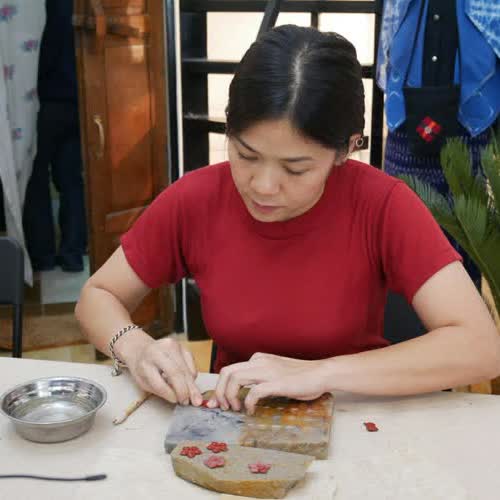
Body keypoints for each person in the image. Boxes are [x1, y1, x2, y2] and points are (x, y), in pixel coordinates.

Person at [76, 25, 500, 415]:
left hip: (357, 417)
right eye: (245, 155)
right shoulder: (196, 200)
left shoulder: (382, 205)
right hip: (234, 420)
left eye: (295, 169)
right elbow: (97, 295)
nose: (263, 186)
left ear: (346, 149)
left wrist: (320, 374)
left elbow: (481, 347)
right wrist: (135, 347)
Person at [377, 0, 500, 288]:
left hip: (472, 118)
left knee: (468, 227)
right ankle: (401, 307)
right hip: (408, 113)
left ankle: (459, 306)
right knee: (403, 219)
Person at [23, 0, 87, 272]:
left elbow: (42, 52)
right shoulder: (76, 4)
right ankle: (72, 255)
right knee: (71, 180)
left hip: (43, 102)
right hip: (75, 99)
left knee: (36, 180)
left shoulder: (39, 7)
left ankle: (43, 256)